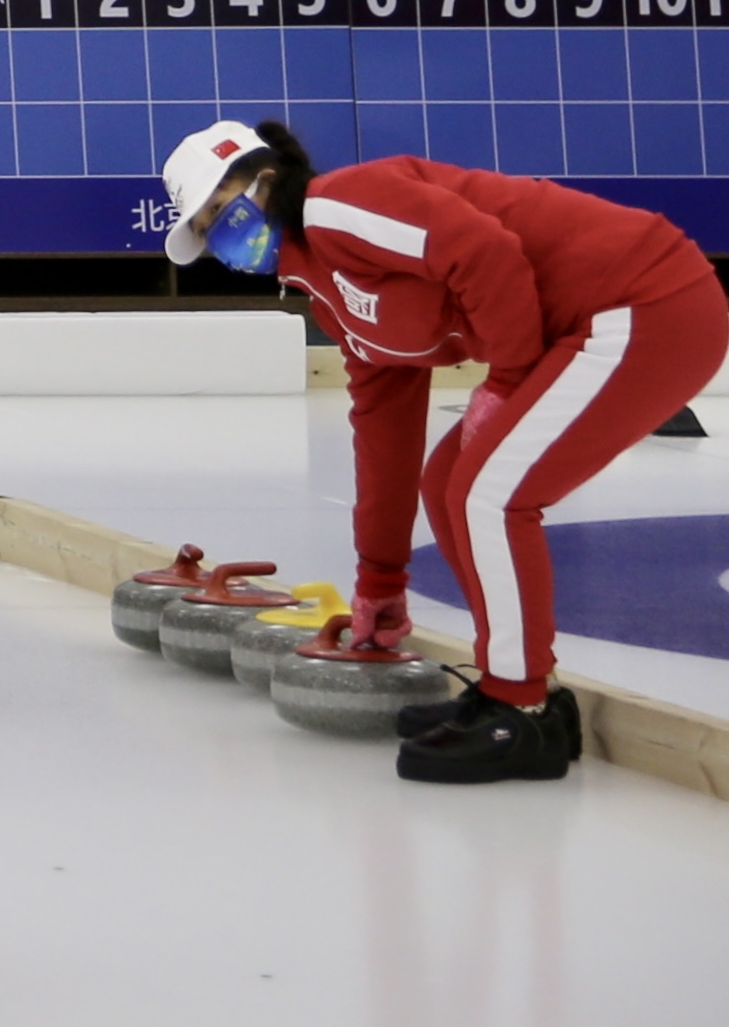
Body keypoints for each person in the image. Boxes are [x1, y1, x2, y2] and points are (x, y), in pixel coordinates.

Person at [161, 118, 729, 785]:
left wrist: (508, 381)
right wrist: (380, 581)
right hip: (585, 326)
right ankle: (516, 689)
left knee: (488, 493)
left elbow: (483, 251)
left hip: (645, 301)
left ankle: (520, 709)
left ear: (268, 178)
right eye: (205, 229)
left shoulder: (343, 204)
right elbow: (383, 430)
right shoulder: (329, 293)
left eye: (220, 211)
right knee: (446, 481)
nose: (221, 239)